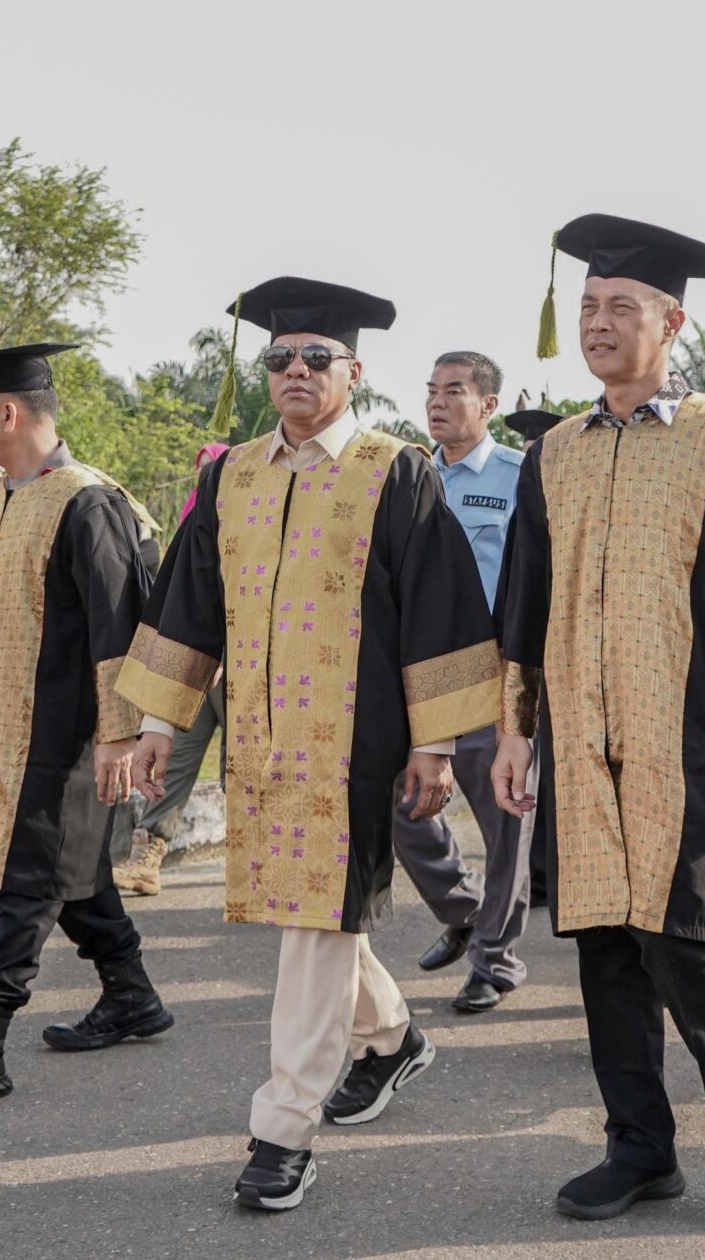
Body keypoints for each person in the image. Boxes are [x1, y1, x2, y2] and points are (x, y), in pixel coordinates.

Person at [114, 277, 499, 1214]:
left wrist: (436, 742)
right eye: (280, 356)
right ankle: (393, 1035)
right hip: (260, 735)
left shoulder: (394, 471)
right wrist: (158, 725)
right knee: (310, 916)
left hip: (358, 740)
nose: (296, 369)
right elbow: (189, 602)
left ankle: (284, 1125)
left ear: (353, 371)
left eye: (316, 356)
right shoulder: (233, 474)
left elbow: (439, 608)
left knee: (319, 919)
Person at [493, 214, 705, 1221]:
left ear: (671, 321)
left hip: (696, 735)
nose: (598, 324)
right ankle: (639, 1145)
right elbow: (524, 600)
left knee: (685, 937)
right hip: (582, 738)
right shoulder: (554, 451)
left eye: (620, 307)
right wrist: (516, 729)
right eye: (588, 307)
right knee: (604, 943)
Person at [0, 343, 173, 1117]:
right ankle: (132, 995)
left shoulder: (88, 501)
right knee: (70, 872)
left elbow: (119, 625)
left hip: (66, 734)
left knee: (26, 878)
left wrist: (118, 734)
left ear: (8, 413)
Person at [391, 349, 530, 1015]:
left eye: (454, 390)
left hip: (495, 672)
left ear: (488, 405)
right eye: (431, 390)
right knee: (404, 803)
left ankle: (495, 960)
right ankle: (464, 909)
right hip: (420, 675)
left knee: (506, 822)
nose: (437, 402)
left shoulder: (520, 477)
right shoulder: (410, 476)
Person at [110, 441, 230, 898]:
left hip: (241, 664)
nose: (207, 475)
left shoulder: (250, 513)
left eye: (213, 466)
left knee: (239, 765)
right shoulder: (193, 519)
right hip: (194, 664)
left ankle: (255, 859)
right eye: (203, 468)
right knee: (175, 756)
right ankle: (147, 856)